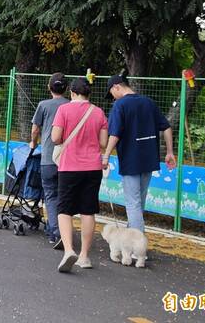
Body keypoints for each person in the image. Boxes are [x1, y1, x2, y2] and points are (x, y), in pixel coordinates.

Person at [103, 74, 176, 232]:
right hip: (149, 159)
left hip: (130, 160)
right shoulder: (148, 102)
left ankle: (137, 246)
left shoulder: (120, 106)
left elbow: (114, 134)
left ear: (117, 87)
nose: (112, 98)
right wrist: (170, 152)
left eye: (111, 94)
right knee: (139, 201)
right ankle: (133, 238)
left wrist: (106, 155)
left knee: (133, 203)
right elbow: (167, 127)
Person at [51, 77, 108, 272]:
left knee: (64, 209)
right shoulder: (98, 112)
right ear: (88, 93)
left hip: (69, 166)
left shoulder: (64, 110)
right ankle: (84, 256)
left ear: (72, 93)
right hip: (93, 167)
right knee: (88, 210)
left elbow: (55, 138)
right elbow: (103, 143)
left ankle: (68, 250)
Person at [29, 72, 69, 249]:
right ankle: (64, 230)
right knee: (63, 196)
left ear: (49, 87)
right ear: (67, 88)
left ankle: (55, 232)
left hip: (48, 158)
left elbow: (35, 129)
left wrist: (33, 142)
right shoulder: (71, 105)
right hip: (67, 159)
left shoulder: (43, 105)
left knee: (51, 195)